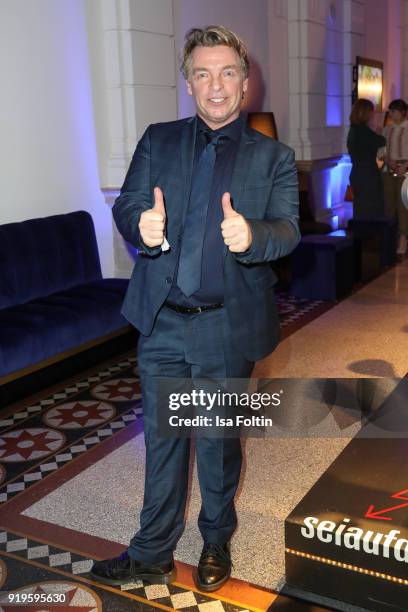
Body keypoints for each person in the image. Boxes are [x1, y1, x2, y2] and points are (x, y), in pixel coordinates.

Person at [91, 25, 300, 592]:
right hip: (162, 321)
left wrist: (251, 235)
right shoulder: (158, 140)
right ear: (188, 83)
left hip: (226, 327)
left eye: (227, 72)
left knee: (217, 440)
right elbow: (130, 201)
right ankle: (152, 551)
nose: (216, 85)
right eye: (203, 73)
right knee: (161, 440)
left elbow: (288, 230)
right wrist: (140, 222)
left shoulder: (274, 156)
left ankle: (215, 539)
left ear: (245, 82)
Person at [347, 98, 386, 219]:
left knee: (360, 207)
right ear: (366, 113)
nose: (373, 115)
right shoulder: (363, 131)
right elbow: (381, 141)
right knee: (371, 208)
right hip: (367, 174)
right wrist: (380, 131)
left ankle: (360, 235)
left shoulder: (353, 130)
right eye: (372, 112)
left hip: (357, 172)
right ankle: (369, 236)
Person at [381, 98, 408, 255]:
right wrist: (387, 160)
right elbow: (381, 149)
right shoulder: (387, 129)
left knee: (403, 205)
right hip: (388, 170)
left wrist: (405, 165)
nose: (391, 114)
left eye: (394, 111)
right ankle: (390, 237)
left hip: (405, 170)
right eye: (390, 111)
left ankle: (403, 238)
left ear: (403, 112)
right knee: (389, 205)